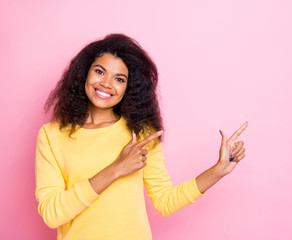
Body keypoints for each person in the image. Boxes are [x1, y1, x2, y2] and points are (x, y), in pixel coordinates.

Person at [35, 33, 247, 240]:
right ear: (84, 74)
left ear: (129, 87)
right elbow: (52, 215)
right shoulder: (52, 136)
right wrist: (115, 169)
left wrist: (218, 171)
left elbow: (165, 201)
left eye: (119, 78)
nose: (107, 83)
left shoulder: (141, 134)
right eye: (100, 71)